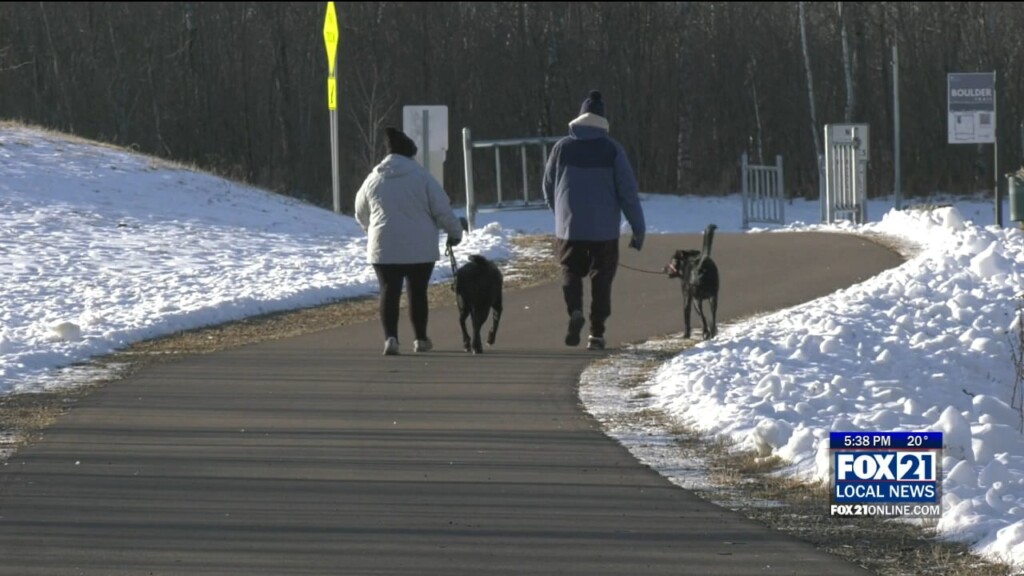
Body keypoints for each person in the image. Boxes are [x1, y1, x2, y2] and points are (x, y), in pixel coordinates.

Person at [542, 89, 646, 351]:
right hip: (604, 232)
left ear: (579, 117)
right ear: (603, 120)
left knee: (570, 270)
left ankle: (574, 310)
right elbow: (628, 193)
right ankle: (596, 333)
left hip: (570, 229)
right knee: (602, 278)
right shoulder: (613, 150)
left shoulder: (561, 148)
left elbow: (547, 186)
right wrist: (638, 229)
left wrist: (561, 215)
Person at [355, 127, 464, 356]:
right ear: (409, 154)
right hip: (420, 248)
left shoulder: (373, 179)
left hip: (383, 247)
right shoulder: (423, 177)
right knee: (417, 291)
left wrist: (372, 231)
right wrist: (455, 232)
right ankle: (421, 338)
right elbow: (442, 209)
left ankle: (391, 338)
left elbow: (360, 211)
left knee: (388, 290)